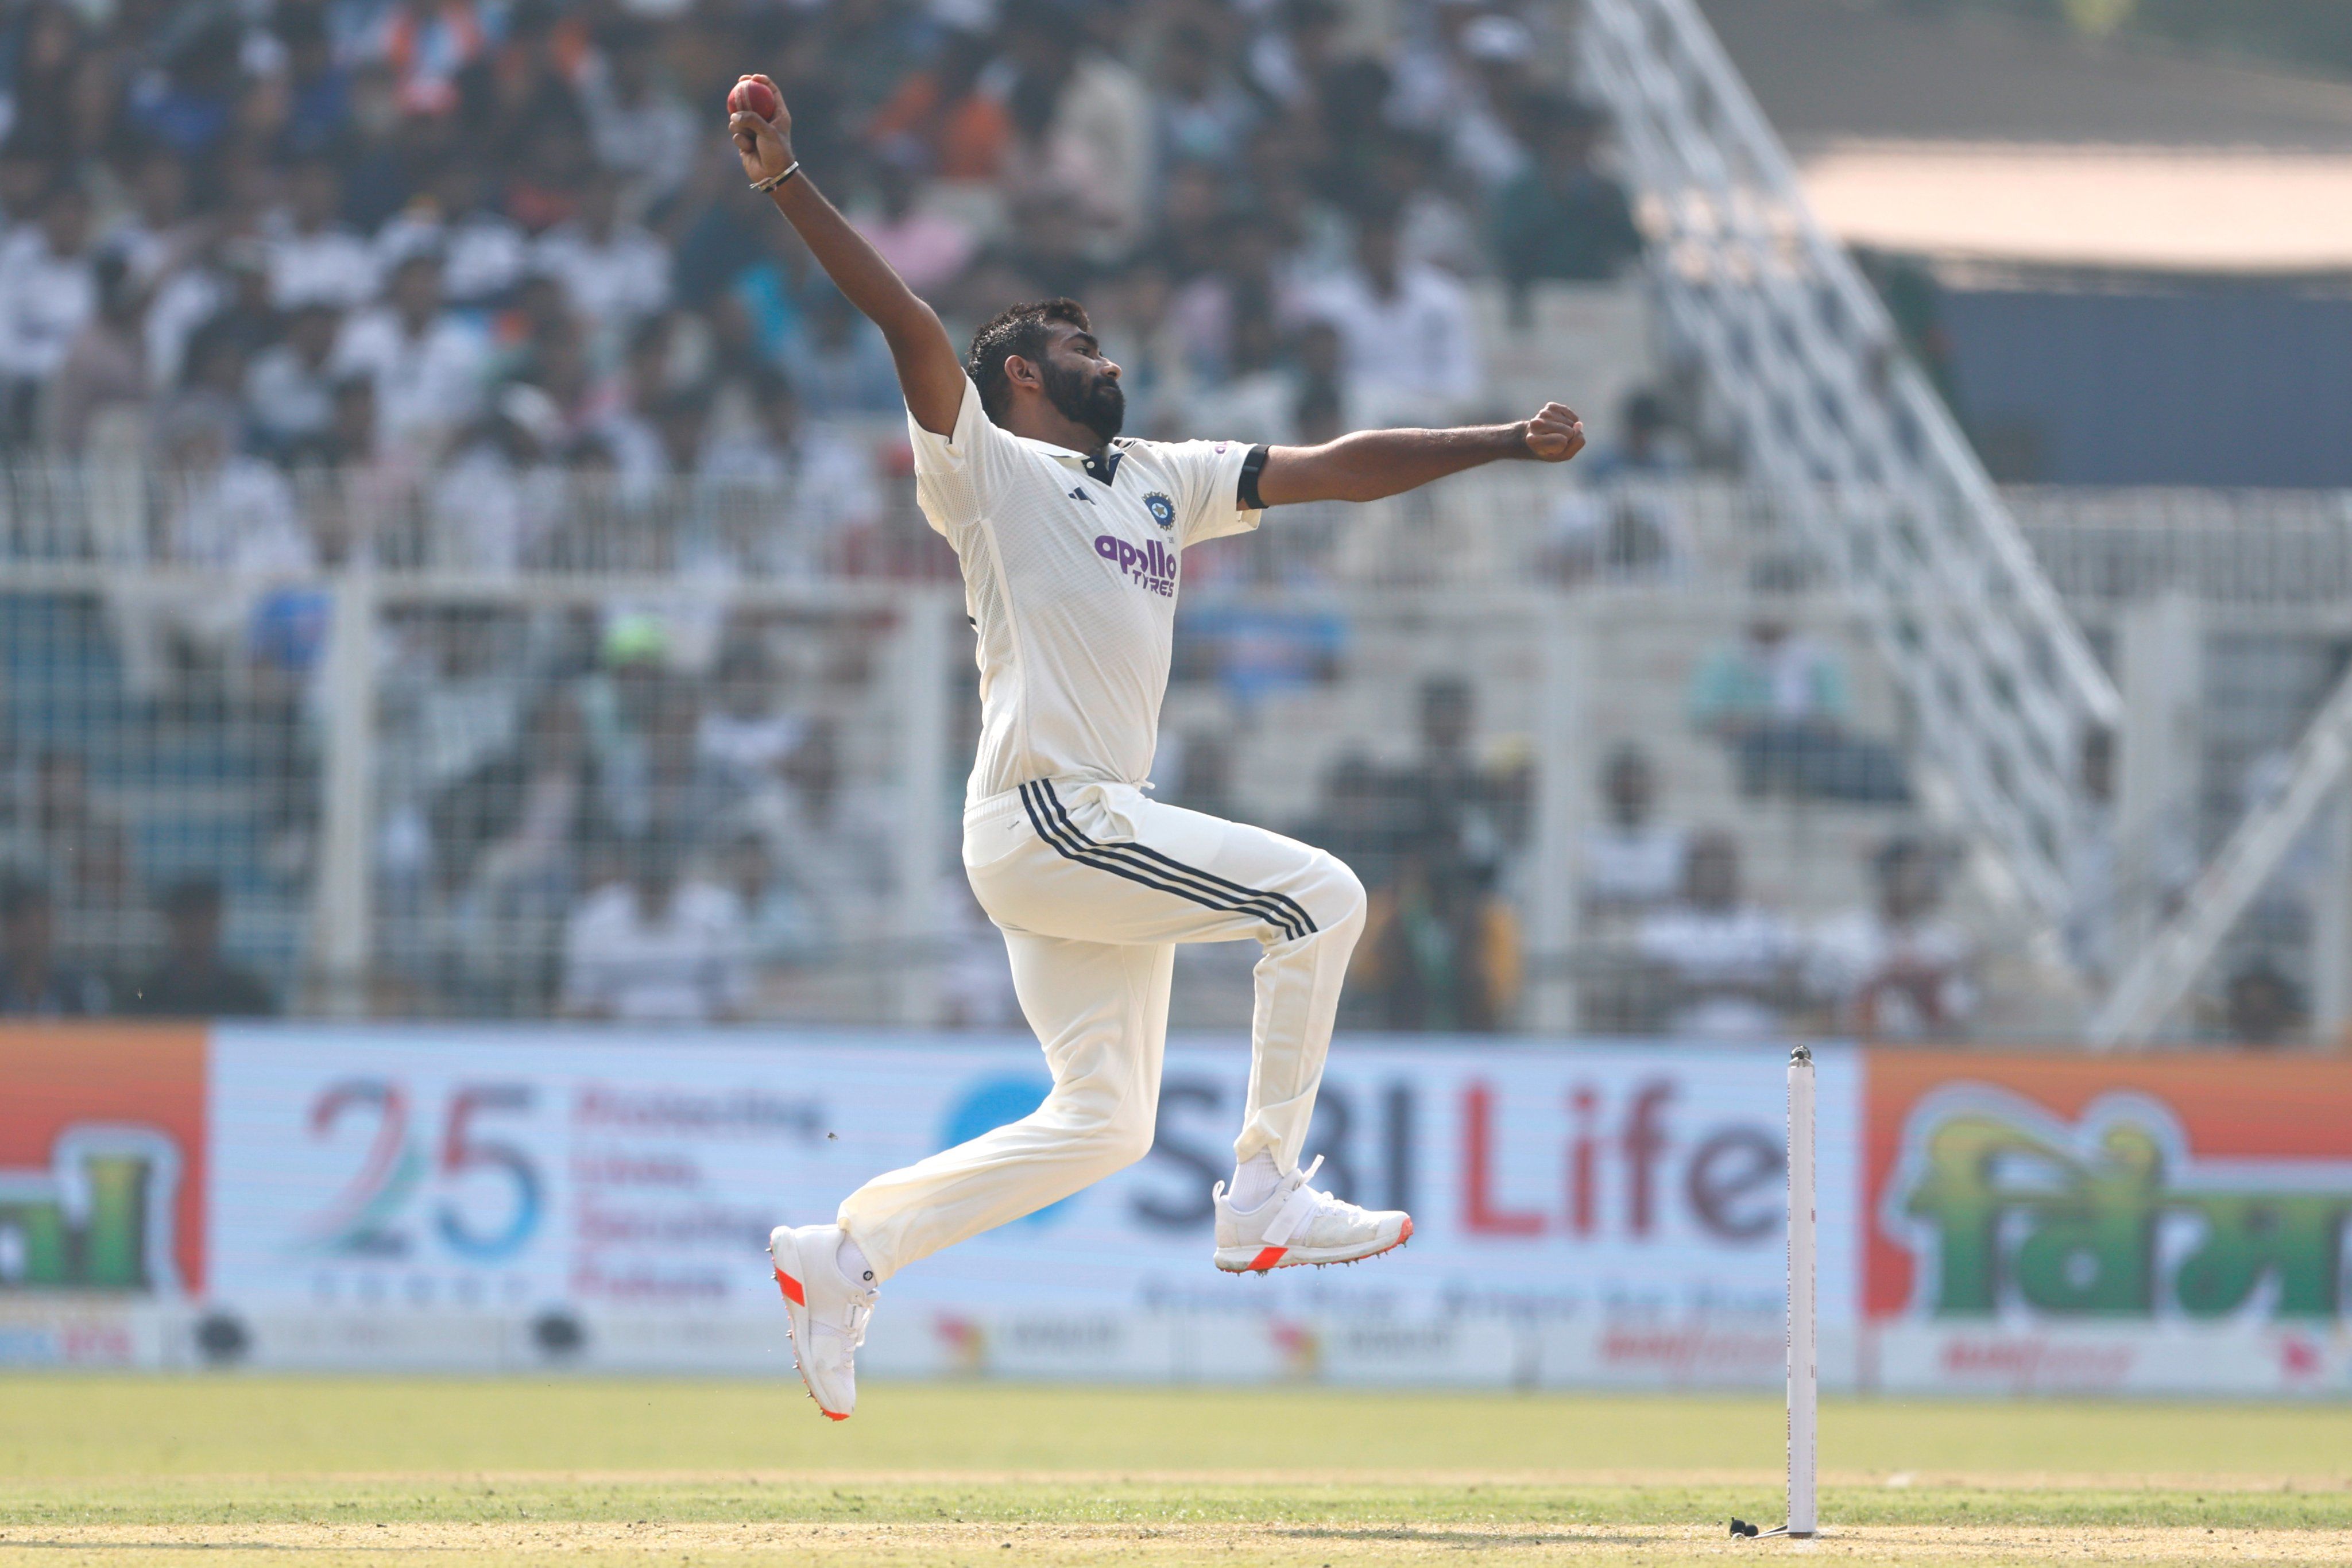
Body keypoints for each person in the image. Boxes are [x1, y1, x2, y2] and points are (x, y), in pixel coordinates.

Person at [728, 78, 1586, 1420]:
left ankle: (843, 1255)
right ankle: (1264, 1191)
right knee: (1321, 899)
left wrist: (1501, 444)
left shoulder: (1158, 479)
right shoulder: (986, 468)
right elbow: (907, 323)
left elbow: (1334, 467)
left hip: (1079, 832)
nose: (1106, 356)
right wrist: (786, 181)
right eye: (1078, 342)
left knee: (1106, 1122)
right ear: (1023, 374)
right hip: (1049, 811)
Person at [126, 876, 278, 1017]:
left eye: (204, 917)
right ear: (172, 922)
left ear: (217, 921)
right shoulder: (144, 995)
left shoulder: (249, 997)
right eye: (189, 917)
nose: (197, 928)